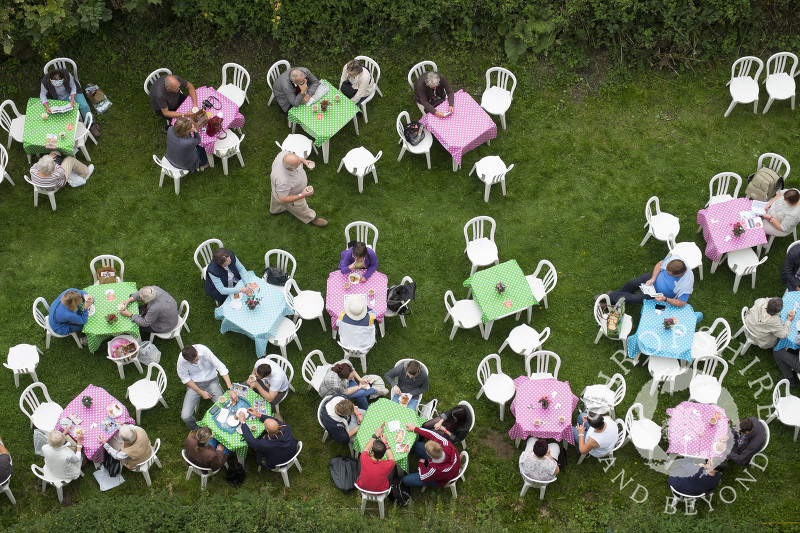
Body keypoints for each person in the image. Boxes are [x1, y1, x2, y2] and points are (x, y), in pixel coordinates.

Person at [600, 254, 694, 308]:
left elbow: (682, 303)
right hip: (653, 278)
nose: (666, 273)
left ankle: (610, 297)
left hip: (658, 294)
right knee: (632, 283)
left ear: (678, 275)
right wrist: (653, 278)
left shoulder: (685, 285)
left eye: (669, 274)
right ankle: (614, 301)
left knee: (635, 298)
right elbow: (660, 264)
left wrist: (665, 299)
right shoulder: (676, 261)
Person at [177, 344, 234, 429]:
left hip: (211, 381)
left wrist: (230, 388)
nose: (195, 363)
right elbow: (185, 378)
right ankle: (197, 429)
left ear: (196, 352)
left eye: (196, 359)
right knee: (185, 416)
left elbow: (221, 367)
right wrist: (200, 391)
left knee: (224, 407)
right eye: (192, 362)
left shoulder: (204, 350)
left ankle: (223, 426)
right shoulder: (181, 361)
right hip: (195, 384)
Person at [269, 150, 327, 227]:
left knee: (276, 195)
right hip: (291, 195)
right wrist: (302, 195)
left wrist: (304, 161)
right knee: (301, 208)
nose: (300, 163)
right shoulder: (283, 181)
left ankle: (275, 210)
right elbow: (283, 199)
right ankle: (312, 218)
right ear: (290, 167)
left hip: (278, 189)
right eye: (298, 164)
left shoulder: (284, 155)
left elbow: (296, 158)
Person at [402, 422, 461, 488]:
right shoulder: (445, 443)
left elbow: (424, 477)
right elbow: (432, 434)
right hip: (452, 464)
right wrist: (415, 429)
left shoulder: (434, 470)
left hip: (443, 479)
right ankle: (419, 454)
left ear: (430, 456)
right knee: (416, 446)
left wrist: (421, 464)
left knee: (406, 480)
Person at [356, 425, 395, 492]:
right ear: (384, 454)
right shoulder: (388, 465)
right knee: (394, 469)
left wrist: (375, 435)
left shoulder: (364, 458)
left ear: (372, 452)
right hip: (380, 490)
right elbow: (391, 458)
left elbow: (366, 449)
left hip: (362, 487)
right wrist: (385, 442)